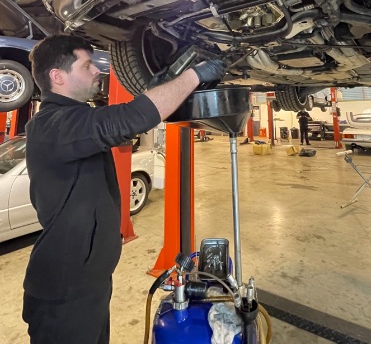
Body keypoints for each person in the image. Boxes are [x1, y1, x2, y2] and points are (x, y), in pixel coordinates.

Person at [22, 34, 227, 344]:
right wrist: (195, 74)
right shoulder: (51, 124)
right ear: (57, 76)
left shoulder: (73, 120)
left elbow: (119, 127)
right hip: (63, 292)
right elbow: (129, 118)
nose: (97, 71)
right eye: (87, 65)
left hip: (87, 283)